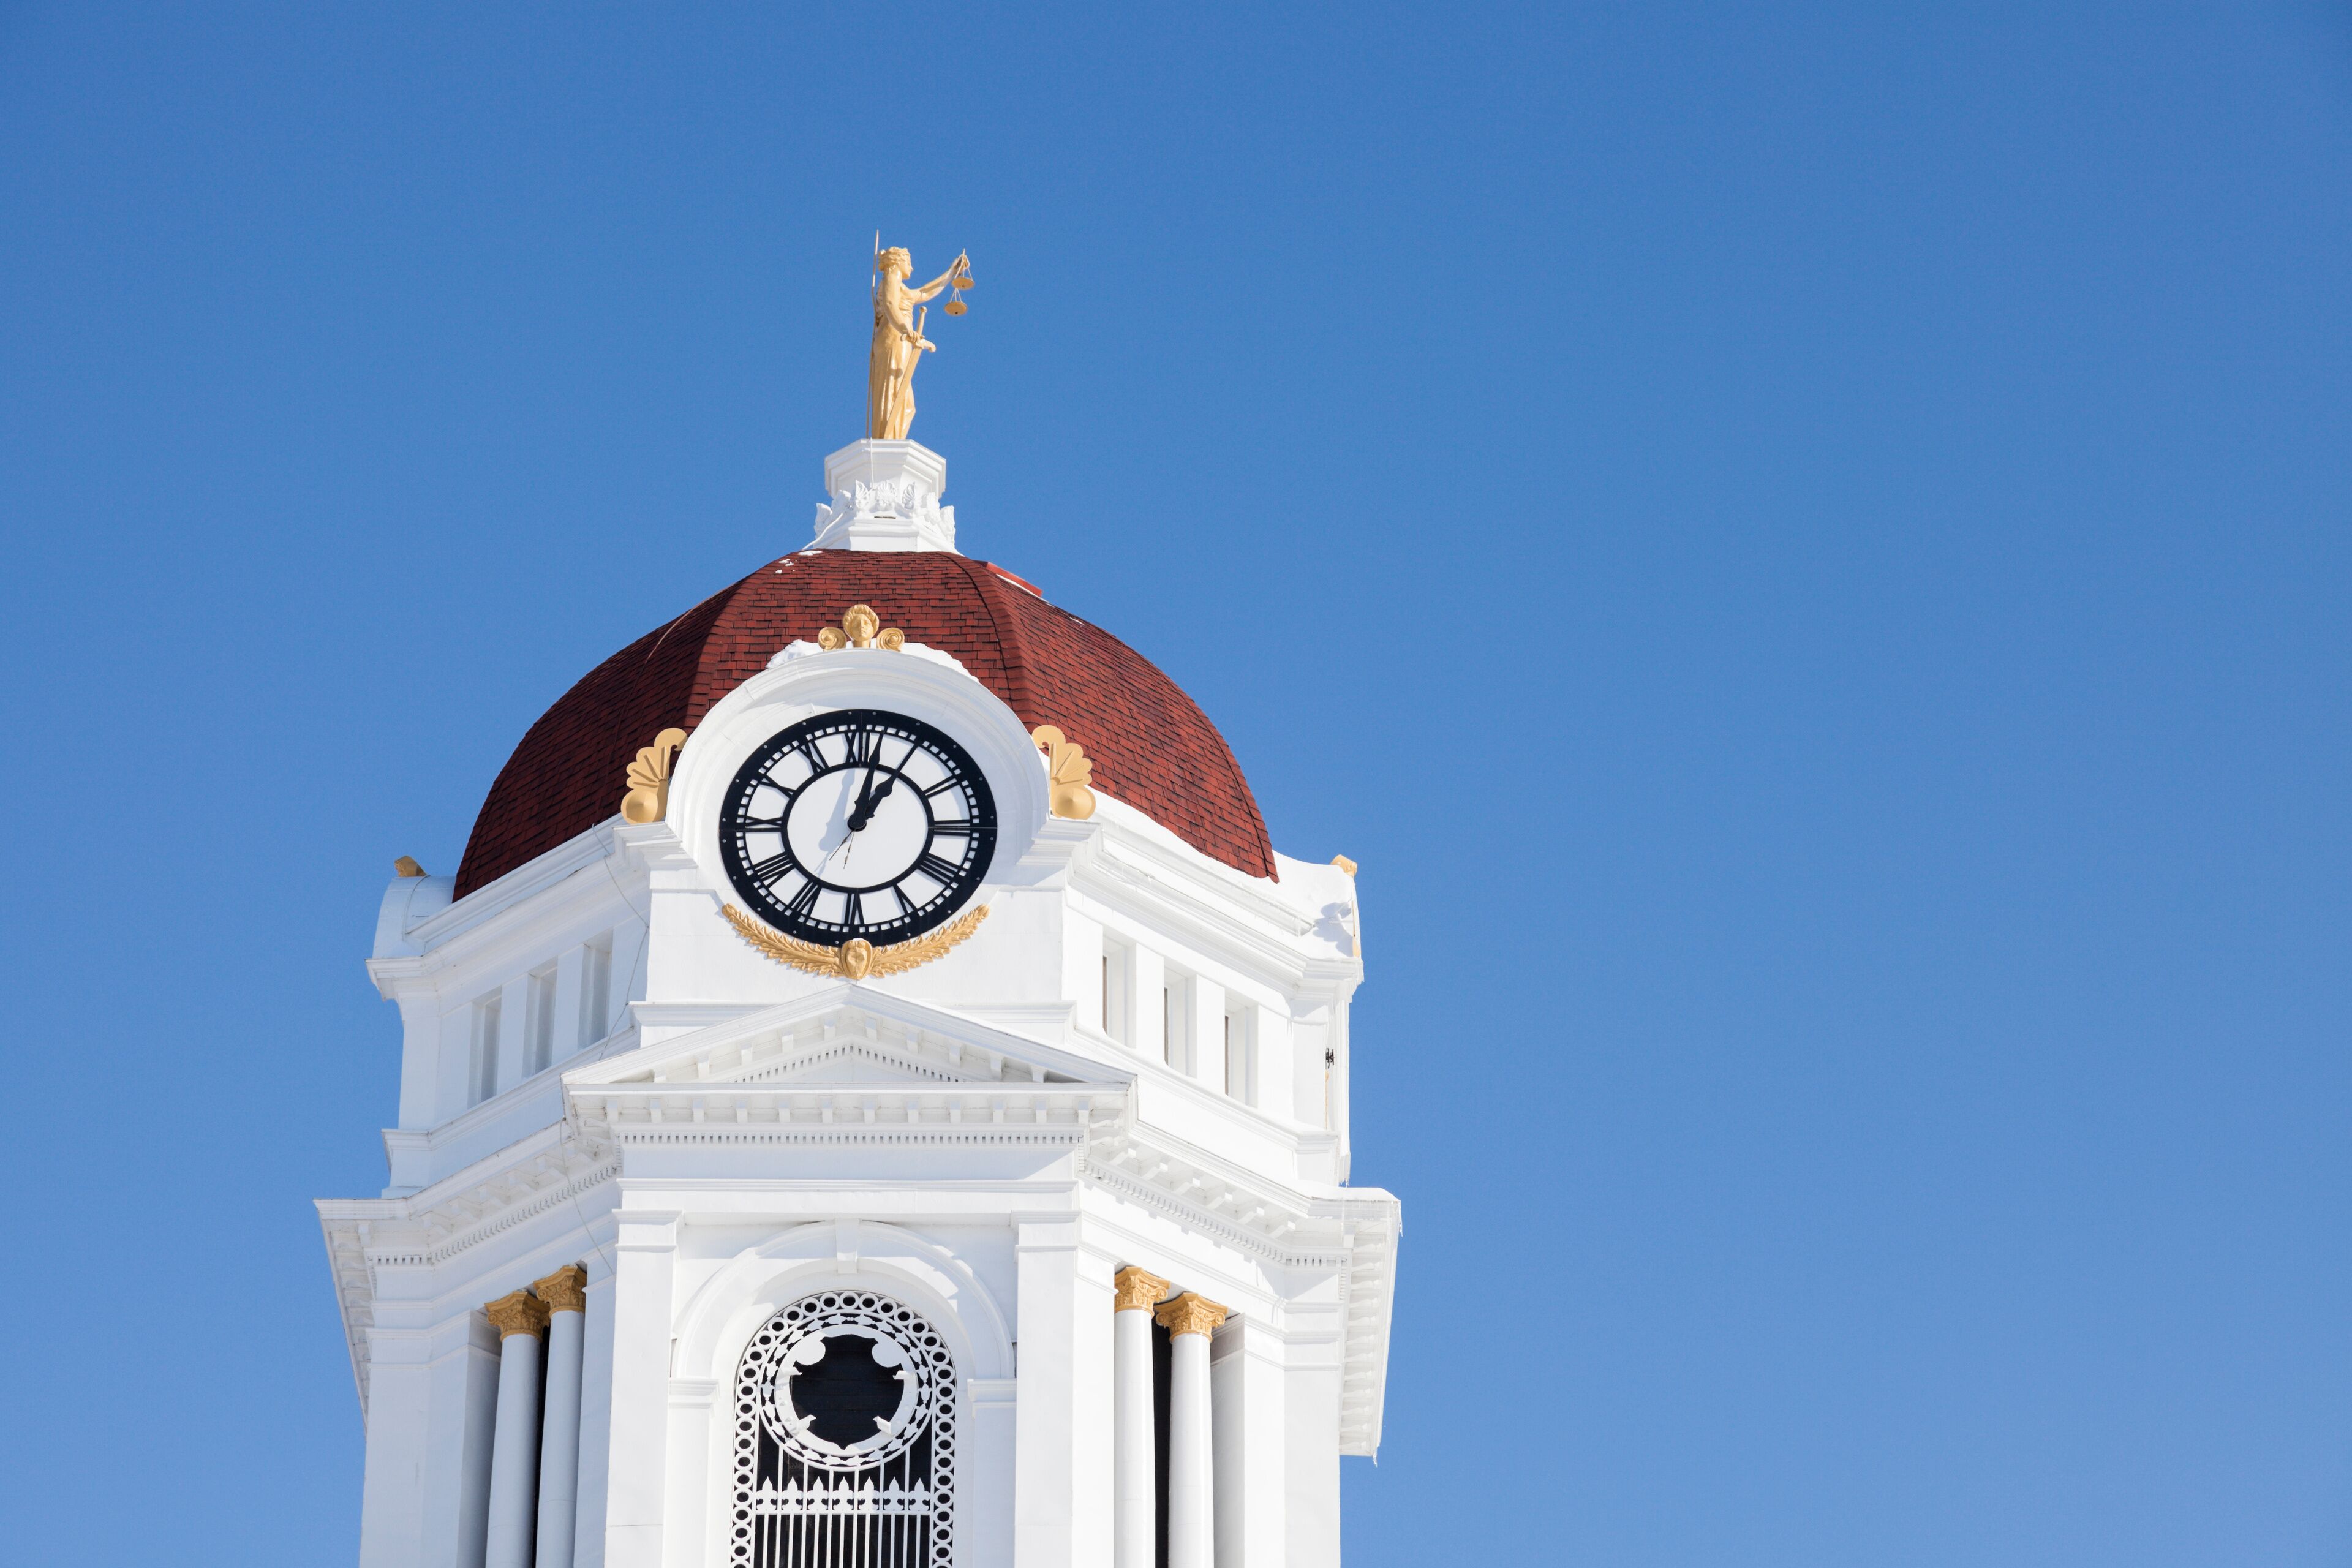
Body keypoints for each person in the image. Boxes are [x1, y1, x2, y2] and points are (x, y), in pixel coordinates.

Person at [867, 246, 967, 440]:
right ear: (897, 261)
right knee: (893, 384)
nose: (911, 268)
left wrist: (951, 273)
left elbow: (924, 293)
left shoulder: (901, 287)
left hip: (901, 337)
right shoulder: (890, 280)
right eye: (909, 262)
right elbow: (889, 305)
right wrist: (905, 329)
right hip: (893, 336)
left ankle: (894, 437)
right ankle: (886, 436)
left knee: (907, 402)